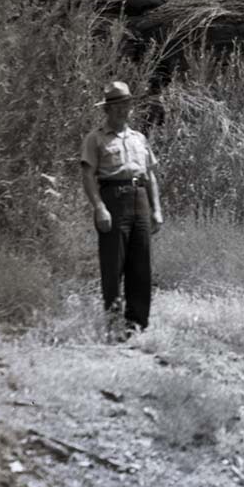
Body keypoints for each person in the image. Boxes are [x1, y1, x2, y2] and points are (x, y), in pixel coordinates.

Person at [80, 81, 164, 340]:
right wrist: (99, 208)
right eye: (115, 106)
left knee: (140, 265)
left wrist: (156, 210)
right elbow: (87, 176)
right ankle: (113, 325)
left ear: (130, 107)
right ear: (107, 110)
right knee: (113, 264)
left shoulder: (139, 139)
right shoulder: (95, 139)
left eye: (125, 105)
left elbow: (150, 176)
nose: (121, 110)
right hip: (113, 199)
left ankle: (137, 326)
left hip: (139, 199)